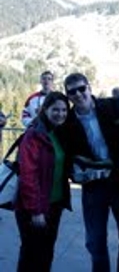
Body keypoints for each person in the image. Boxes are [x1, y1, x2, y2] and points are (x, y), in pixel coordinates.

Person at [64, 72, 119, 272]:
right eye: (72, 92)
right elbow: (66, 157)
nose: (78, 94)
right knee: (95, 242)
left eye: (81, 89)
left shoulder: (112, 106)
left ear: (89, 88)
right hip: (92, 187)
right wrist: (76, 174)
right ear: (68, 96)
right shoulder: (67, 122)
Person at [15, 91, 71, 272]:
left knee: (46, 253)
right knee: (32, 254)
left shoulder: (59, 133)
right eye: (56, 109)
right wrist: (36, 211)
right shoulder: (34, 135)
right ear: (45, 109)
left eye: (64, 110)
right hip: (34, 208)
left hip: (54, 205)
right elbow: (28, 176)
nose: (60, 114)